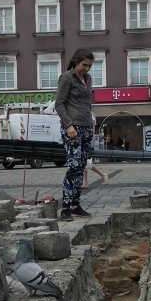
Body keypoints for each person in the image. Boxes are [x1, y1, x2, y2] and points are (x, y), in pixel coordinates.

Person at [55, 48, 95, 221]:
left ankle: (75, 205)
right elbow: (59, 104)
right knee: (73, 166)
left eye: (89, 66)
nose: (87, 68)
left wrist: (91, 120)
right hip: (73, 128)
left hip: (86, 127)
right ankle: (65, 207)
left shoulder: (88, 79)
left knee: (81, 167)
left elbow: (86, 103)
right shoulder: (66, 78)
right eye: (84, 65)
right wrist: (68, 125)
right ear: (76, 62)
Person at [84, 112, 109, 188]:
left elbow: (92, 128)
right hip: (85, 140)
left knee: (85, 162)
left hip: (86, 141)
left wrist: (89, 140)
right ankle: (85, 182)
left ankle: (102, 174)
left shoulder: (90, 115)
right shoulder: (87, 114)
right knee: (84, 162)